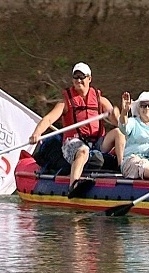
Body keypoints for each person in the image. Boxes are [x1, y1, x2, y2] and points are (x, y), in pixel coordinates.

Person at [29, 62, 125, 197]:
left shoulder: (100, 100)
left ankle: (123, 168)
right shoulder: (65, 102)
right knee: (83, 151)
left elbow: (118, 123)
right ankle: (73, 185)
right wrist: (37, 133)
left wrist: (115, 114)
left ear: (89, 79)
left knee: (118, 133)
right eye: (76, 77)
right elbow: (49, 119)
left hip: (96, 142)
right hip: (73, 142)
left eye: (82, 77)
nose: (78, 80)